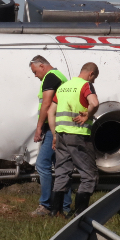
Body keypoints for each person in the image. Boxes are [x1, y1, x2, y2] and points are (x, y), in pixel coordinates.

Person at [48, 62, 100, 217]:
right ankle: (80, 213)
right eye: (94, 78)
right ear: (91, 74)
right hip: (78, 135)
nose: (94, 81)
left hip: (61, 135)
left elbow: (51, 112)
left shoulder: (63, 87)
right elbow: (94, 103)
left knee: (62, 172)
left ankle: (55, 212)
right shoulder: (85, 85)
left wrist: (55, 135)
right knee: (89, 174)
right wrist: (88, 114)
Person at [29, 55, 71, 217]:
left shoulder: (50, 77)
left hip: (53, 128)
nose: (35, 75)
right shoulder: (59, 76)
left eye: (35, 71)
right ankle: (65, 206)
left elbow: (46, 104)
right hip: (60, 127)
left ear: (42, 66)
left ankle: (46, 204)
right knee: (60, 167)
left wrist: (39, 127)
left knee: (42, 164)